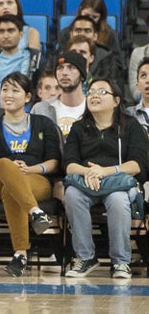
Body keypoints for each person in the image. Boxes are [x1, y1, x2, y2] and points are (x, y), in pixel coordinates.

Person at [0, 72, 60, 276]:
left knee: (12, 191)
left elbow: (54, 162)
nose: (8, 94)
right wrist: (11, 167)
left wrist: (30, 169)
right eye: (4, 90)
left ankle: (20, 255)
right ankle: (36, 213)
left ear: (28, 97)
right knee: (5, 163)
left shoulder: (43, 124)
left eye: (15, 90)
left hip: (35, 179)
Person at [62, 76, 148, 279]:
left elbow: (137, 165)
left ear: (116, 100)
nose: (94, 96)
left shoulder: (130, 126)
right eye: (90, 92)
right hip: (86, 183)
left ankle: (121, 261)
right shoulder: (79, 127)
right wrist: (89, 172)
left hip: (118, 184)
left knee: (118, 200)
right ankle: (85, 257)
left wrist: (105, 171)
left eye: (102, 92)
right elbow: (69, 164)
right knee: (72, 194)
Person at [32, 49, 89, 136]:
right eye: (60, 68)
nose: (64, 73)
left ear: (82, 75)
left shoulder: (93, 108)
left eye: (71, 67)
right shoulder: (41, 109)